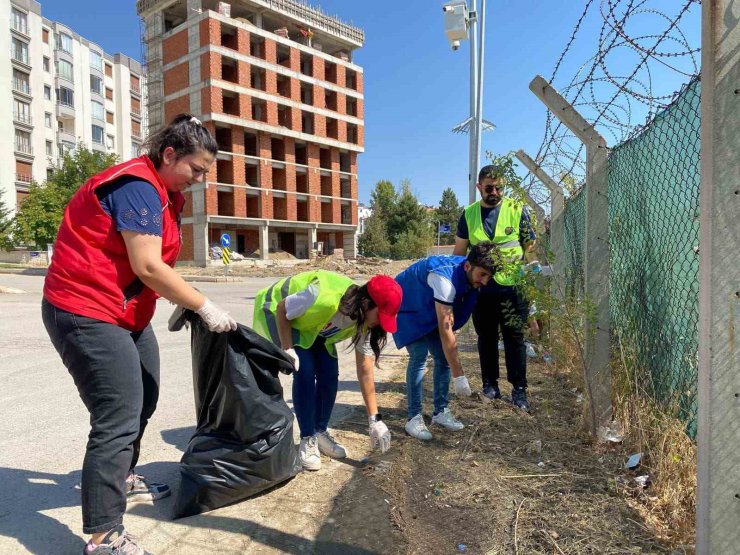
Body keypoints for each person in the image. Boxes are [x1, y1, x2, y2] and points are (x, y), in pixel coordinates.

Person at [42, 114, 238, 555]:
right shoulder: (137, 187)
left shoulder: (168, 194)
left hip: (124, 312)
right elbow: (147, 266)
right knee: (117, 416)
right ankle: (104, 536)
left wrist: (179, 297)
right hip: (83, 308)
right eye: (197, 169)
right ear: (169, 154)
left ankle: (122, 476)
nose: (201, 180)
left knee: (145, 395)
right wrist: (202, 304)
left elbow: (157, 269)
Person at [252, 270, 402, 471]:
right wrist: (287, 348)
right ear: (366, 303)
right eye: (380, 316)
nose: (379, 324)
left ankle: (319, 431)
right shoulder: (322, 296)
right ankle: (307, 439)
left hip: (316, 328)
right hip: (282, 316)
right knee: (304, 371)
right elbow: (281, 309)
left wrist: (375, 419)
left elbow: (365, 370)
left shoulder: (364, 320)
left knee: (330, 375)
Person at [393, 243, 499, 440]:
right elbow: (446, 329)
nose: (485, 282)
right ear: (468, 266)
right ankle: (413, 417)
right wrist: (459, 377)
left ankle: (440, 411)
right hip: (408, 304)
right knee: (419, 357)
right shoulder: (444, 280)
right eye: (482, 274)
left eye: (488, 277)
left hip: (428, 305)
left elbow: (448, 327)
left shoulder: (468, 274)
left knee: (442, 358)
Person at [453, 164, 537, 411]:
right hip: (481, 290)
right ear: (479, 187)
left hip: (513, 288)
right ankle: (490, 385)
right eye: (489, 187)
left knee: (514, 339)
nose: (495, 192)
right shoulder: (468, 214)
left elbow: (530, 248)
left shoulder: (517, 210)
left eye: (500, 187)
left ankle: (519, 390)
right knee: (486, 338)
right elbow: (459, 253)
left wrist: (533, 278)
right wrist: (458, 288)